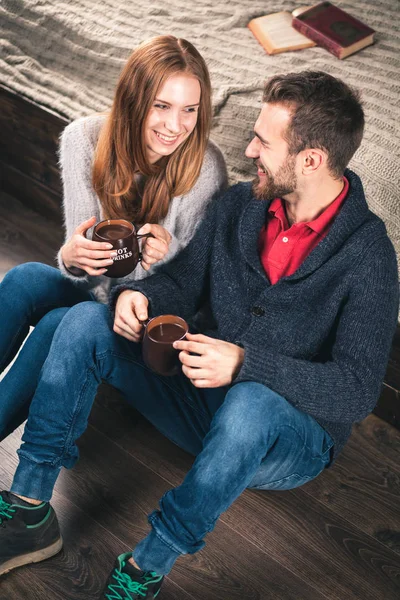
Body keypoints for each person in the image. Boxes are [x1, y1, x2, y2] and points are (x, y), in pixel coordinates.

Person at [0, 71, 398, 600]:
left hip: (286, 439)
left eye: (263, 141)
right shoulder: (238, 205)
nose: (249, 148)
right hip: (198, 397)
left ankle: (147, 567)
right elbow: (183, 284)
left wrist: (244, 364)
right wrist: (137, 298)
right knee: (79, 323)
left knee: (253, 404)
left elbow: (355, 390)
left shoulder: (370, 256)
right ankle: (28, 511)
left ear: (311, 160)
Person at [0, 35, 227, 440]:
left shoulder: (206, 166)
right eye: (161, 106)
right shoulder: (83, 140)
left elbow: (192, 291)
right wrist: (72, 258)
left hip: (144, 319)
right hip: (98, 295)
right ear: (133, 100)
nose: (175, 126)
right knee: (24, 279)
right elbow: (86, 276)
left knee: (59, 322)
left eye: (189, 109)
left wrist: (166, 253)